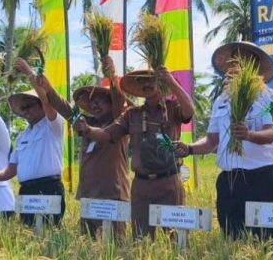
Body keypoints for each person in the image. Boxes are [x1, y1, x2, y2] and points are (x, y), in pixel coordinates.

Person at [176, 42, 273, 239]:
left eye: (243, 61)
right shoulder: (221, 101)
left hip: (260, 179)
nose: (236, 66)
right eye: (234, 61)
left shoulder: (270, 97)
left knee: (264, 238)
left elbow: (271, 133)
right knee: (232, 237)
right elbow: (211, 141)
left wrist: (248, 135)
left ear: (254, 66)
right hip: (229, 180)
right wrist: (189, 149)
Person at [76, 65, 194, 238]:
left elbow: (189, 110)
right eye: (141, 81)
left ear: (159, 82)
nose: (146, 84)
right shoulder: (132, 114)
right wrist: (87, 130)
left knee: (177, 239)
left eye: (150, 80)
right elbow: (106, 134)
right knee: (141, 241)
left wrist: (170, 81)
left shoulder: (172, 108)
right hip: (141, 185)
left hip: (169, 182)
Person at [39, 55, 131, 239]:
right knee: (88, 243)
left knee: (115, 245)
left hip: (112, 193)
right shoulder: (84, 122)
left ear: (111, 103)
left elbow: (119, 98)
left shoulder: (119, 122)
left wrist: (112, 76)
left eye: (101, 100)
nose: (95, 104)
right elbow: (64, 107)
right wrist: (47, 87)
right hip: (89, 193)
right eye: (92, 102)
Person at [0, 59, 66, 226]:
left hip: (49, 188)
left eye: (30, 106)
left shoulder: (54, 125)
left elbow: (46, 99)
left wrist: (29, 73)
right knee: (28, 235)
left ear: (42, 106)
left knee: (49, 234)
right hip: (27, 190)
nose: (26, 111)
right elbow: (11, 170)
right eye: (24, 108)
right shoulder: (22, 136)